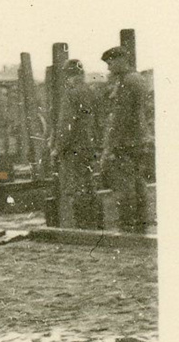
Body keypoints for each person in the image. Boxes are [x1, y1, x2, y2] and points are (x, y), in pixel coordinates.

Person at [98, 45, 152, 233]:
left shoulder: (126, 82)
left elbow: (120, 117)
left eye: (111, 63)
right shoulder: (138, 79)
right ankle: (142, 222)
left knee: (124, 185)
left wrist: (109, 147)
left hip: (125, 142)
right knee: (138, 182)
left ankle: (128, 225)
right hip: (139, 140)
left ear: (121, 60)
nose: (109, 67)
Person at [53, 59, 103, 229]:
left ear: (68, 76)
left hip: (73, 148)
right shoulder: (91, 92)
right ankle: (95, 223)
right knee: (89, 184)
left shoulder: (71, 94)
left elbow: (66, 124)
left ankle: (82, 225)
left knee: (75, 186)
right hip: (89, 146)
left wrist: (58, 147)